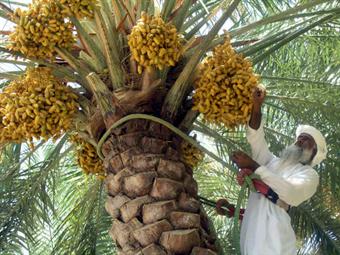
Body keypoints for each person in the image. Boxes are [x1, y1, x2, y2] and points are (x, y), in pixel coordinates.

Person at [230, 87, 327, 255]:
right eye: (300, 137)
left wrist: (254, 166)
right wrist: (256, 106)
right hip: (251, 237)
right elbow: (256, 138)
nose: (300, 140)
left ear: (314, 153)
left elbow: (290, 192)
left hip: (275, 240)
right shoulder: (271, 162)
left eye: (307, 140)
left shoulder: (310, 175)